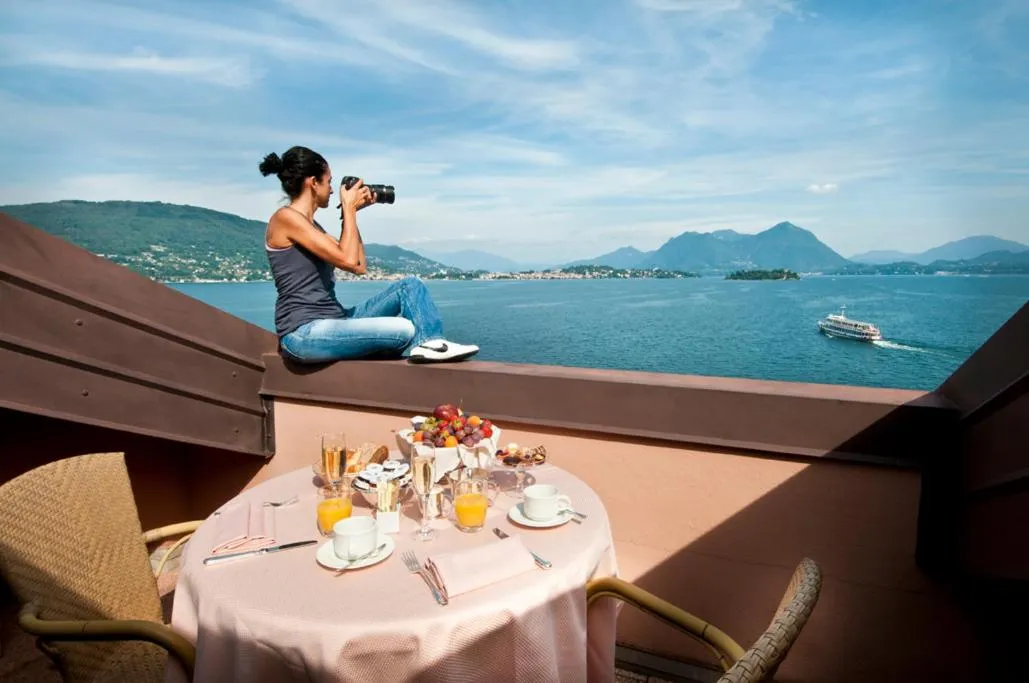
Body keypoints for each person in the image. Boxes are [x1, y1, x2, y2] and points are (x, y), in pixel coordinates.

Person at [258, 145, 479, 364]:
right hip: (304, 332)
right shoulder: (285, 217)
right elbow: (348, 260)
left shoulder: (314, 228)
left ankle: (432, 343)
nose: (333, 190)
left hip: (335, 320)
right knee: (402, 329)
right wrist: (349, 209)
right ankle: (420, 346)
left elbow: (359, 264)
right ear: (313, 182)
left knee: (410, 286)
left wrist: (351, 214)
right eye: (329, 182)